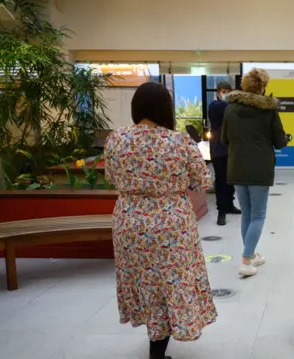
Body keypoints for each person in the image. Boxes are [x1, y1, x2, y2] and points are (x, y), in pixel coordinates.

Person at [105, 82, 217, 359]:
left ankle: (154, 336)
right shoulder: (179, 142)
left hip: (129, 221)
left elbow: (110, 177)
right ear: (165, 109)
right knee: (171, 281)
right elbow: (203, 181)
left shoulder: (116, 139)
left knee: (142, 279)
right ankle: (158, 350)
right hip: (170, 224)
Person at [221, 68, 289, 277]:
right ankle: (245, 259)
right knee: (258, 215)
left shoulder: (230, 109)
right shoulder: (268, 110)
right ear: (263, 87)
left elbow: (224, 139)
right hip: (260, 168)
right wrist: (285, 138)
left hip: (237, 167)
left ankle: (251, 256)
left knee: (247, 214)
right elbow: (279, 141)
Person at [208, 80, 241, 226]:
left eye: (228, 91)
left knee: (231, 181)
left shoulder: (230, 106)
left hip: (232, 150)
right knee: (221, 181)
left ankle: (229, 205)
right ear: (218, 92)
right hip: (219, 150)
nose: (226, 94)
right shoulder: (215, 106)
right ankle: (221, 212)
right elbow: (229, 109)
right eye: (224, 91)